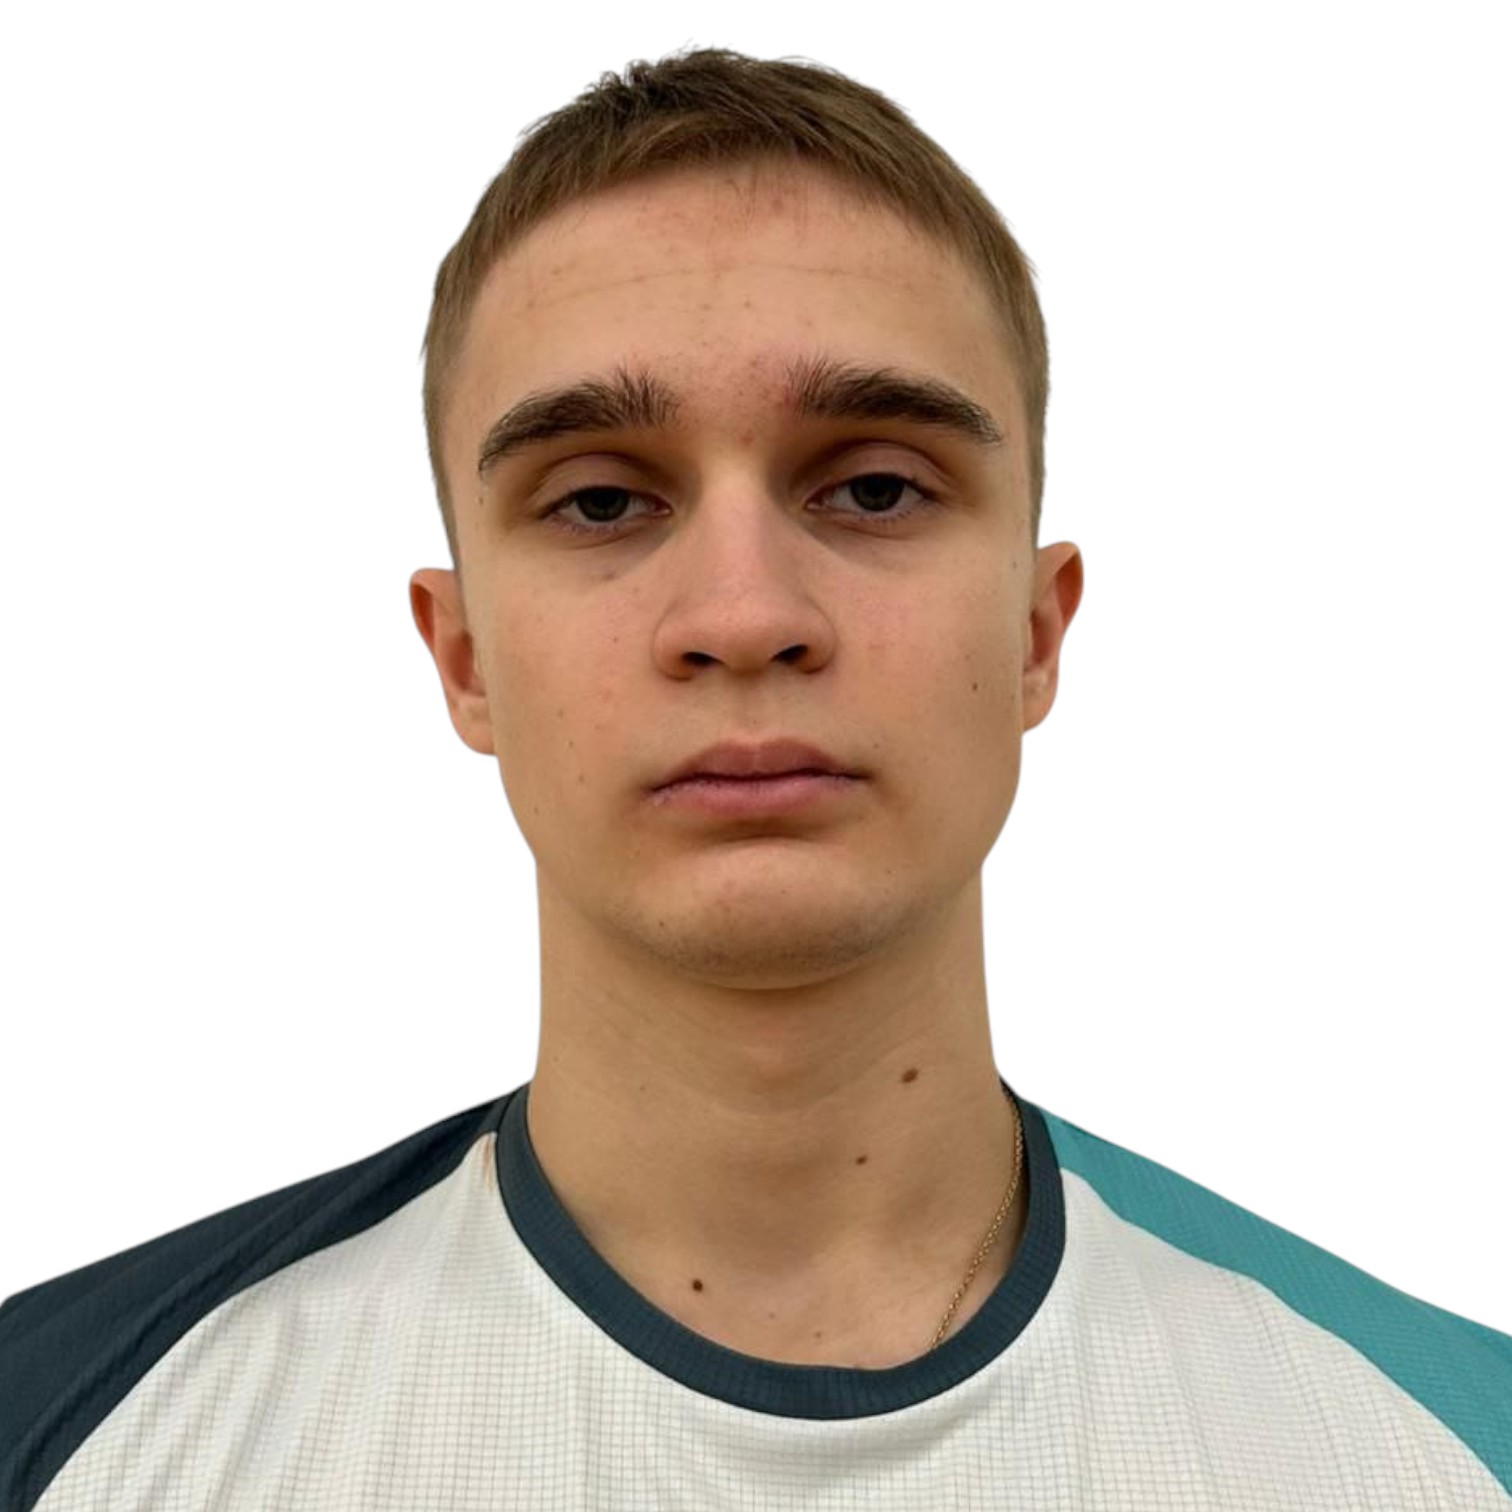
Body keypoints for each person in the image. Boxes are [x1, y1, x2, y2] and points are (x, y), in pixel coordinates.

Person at [1, 45, 1507, 1512]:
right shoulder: (58, 1424)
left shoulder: (1454, 1442)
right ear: (464, 660)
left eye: (875, 487)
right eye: (602, 500)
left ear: (1035, 633)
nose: (743, 614)